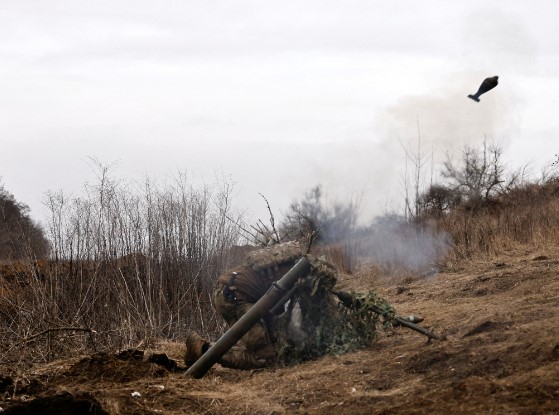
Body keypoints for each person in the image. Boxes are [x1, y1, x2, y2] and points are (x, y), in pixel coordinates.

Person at [185, 241, 336, 370]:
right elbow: (300, 313)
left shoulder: (294, 261)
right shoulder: (300, 274)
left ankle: (207, 351)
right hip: (232, 299)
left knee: (271, 344)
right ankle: (202, 348)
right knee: (265, 358)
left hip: (232, 293)